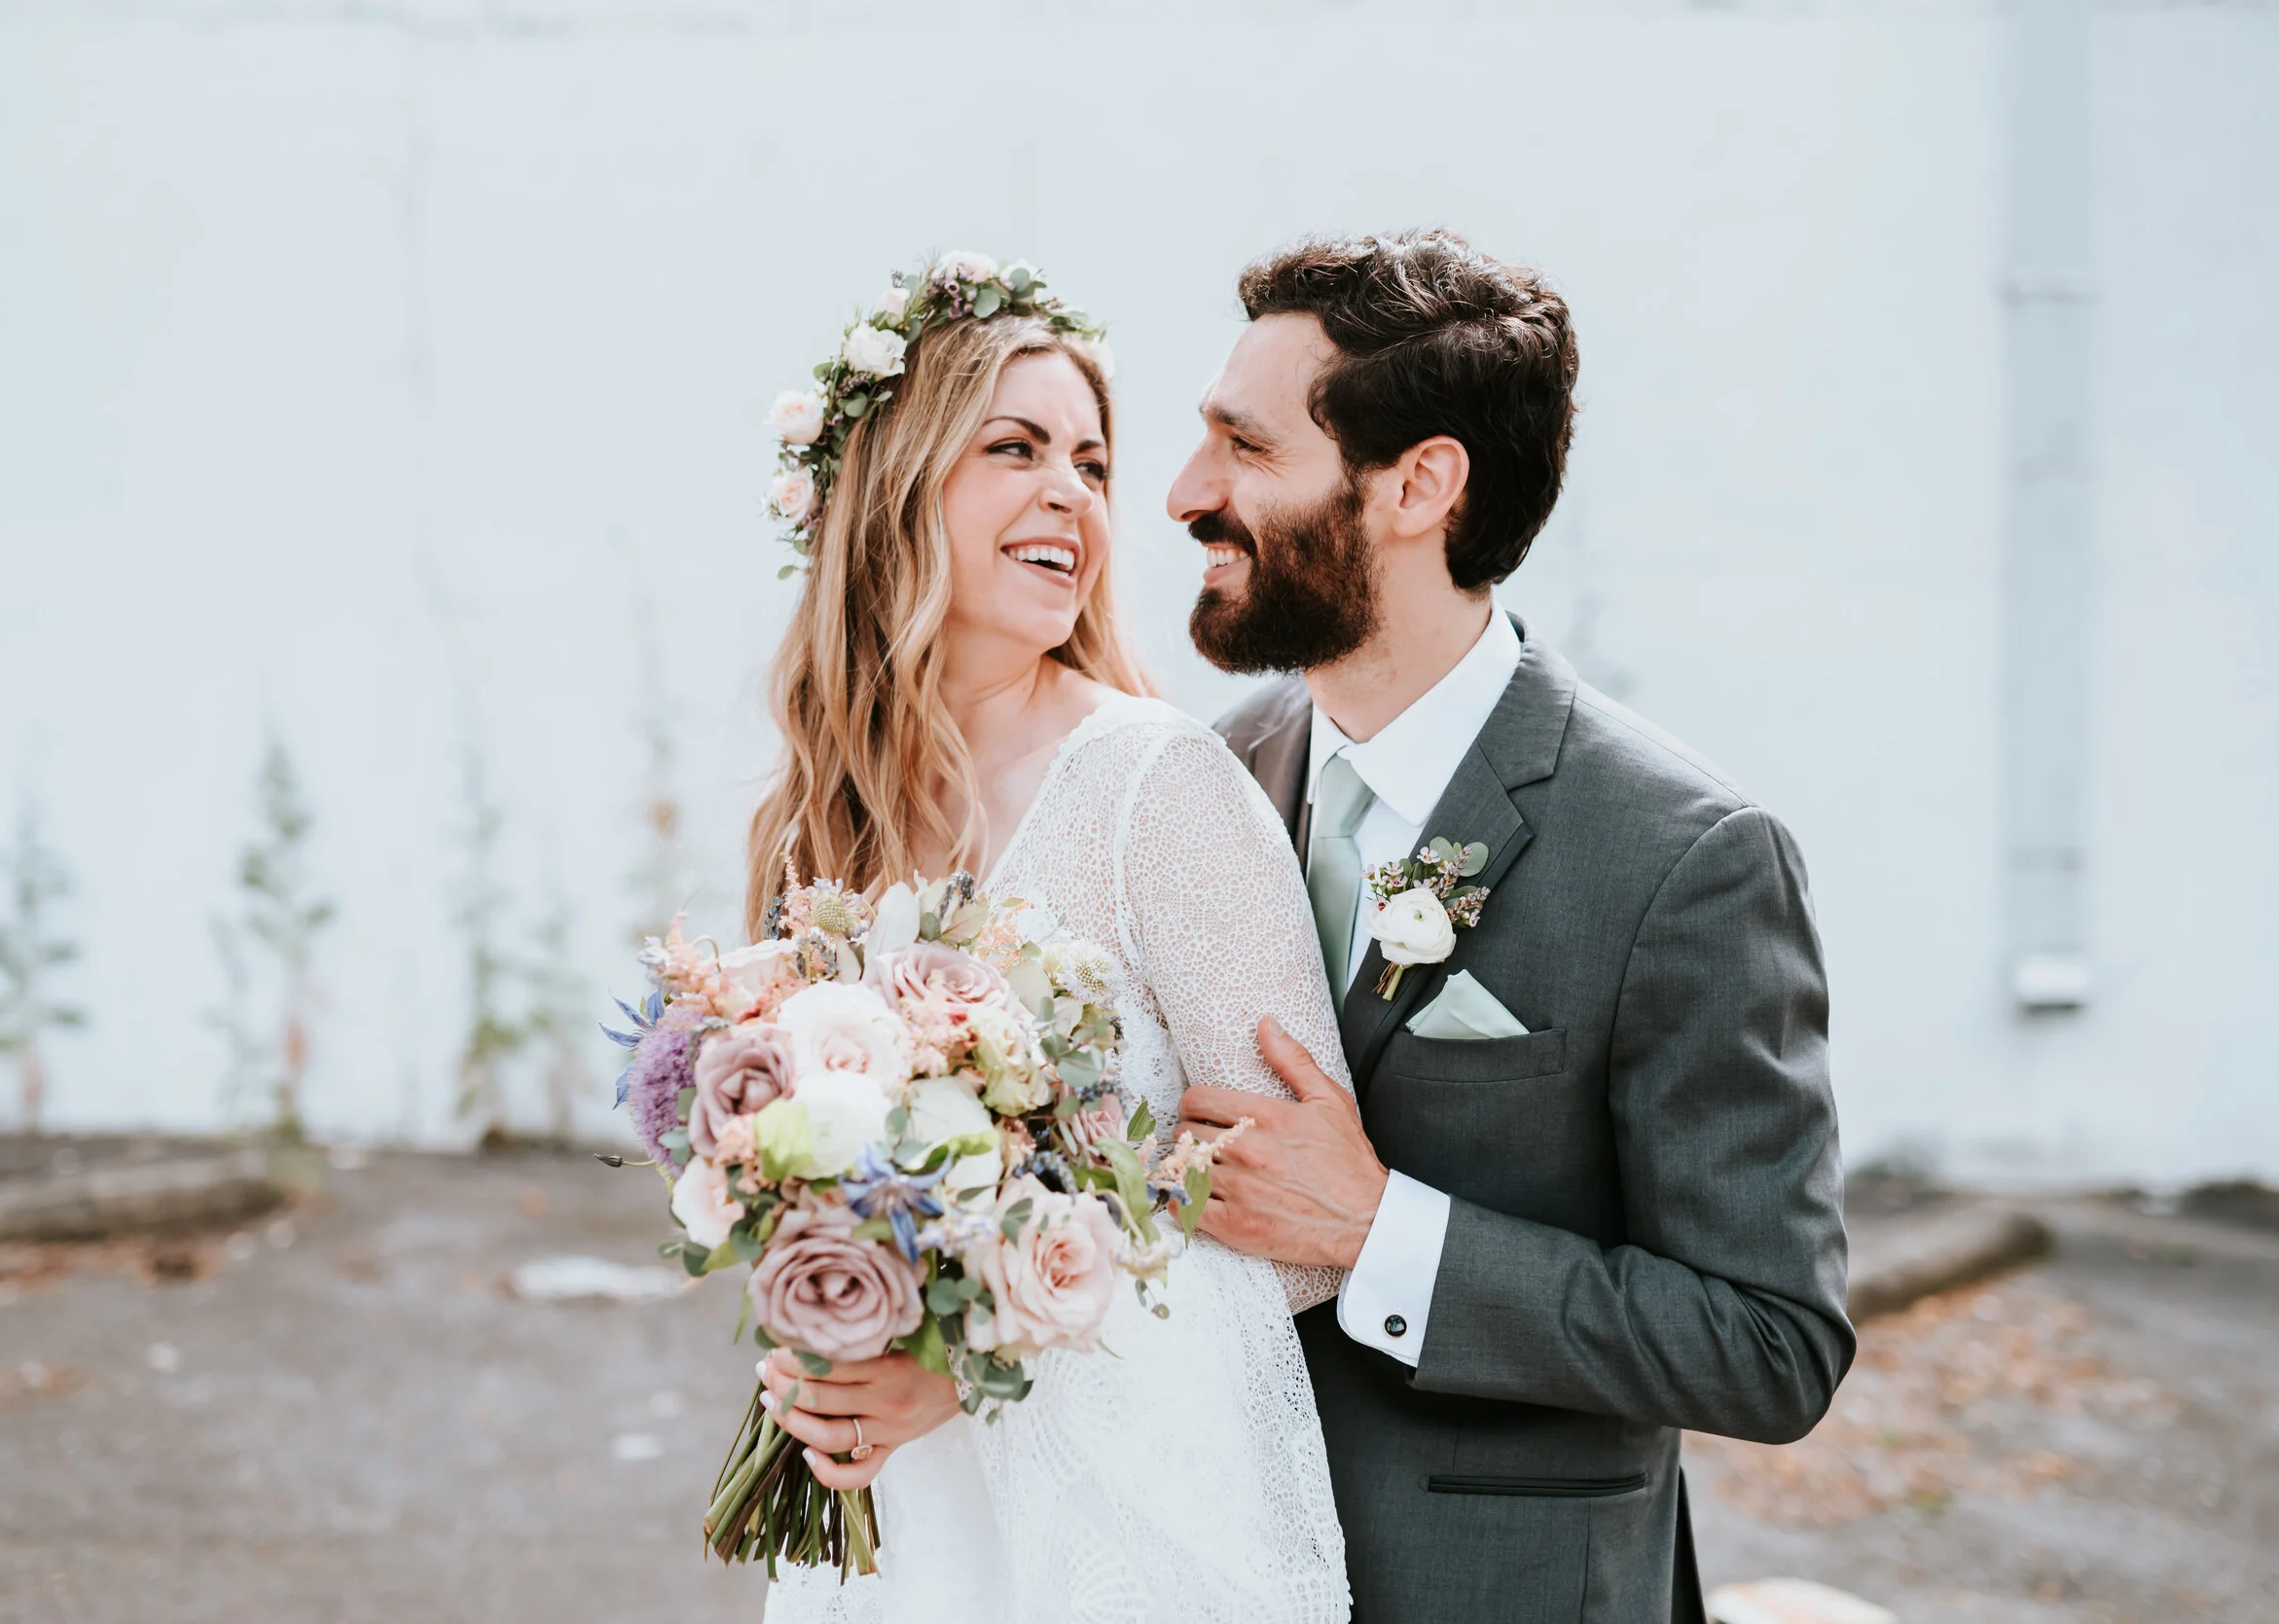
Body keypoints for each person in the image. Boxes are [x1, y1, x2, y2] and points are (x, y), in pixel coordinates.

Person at [1168, 230, 1857, 1623]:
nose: (1187, 495)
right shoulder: (1201, 779)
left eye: (1246, 447)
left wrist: (1385, 1238)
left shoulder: (1687, 862)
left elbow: (1773, 1345)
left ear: (1418, 484)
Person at [752, 256, 1352, 1624]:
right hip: (903, 1527)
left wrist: (967, 1354)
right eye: (1014, 448)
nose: (1073, 495)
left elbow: (1302, 1225)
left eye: (1089, 461)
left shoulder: (1155, 784)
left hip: (1121, 1535)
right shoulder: (826, 816)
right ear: (892, 487)